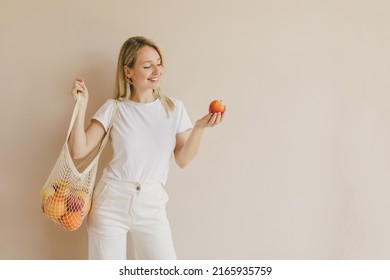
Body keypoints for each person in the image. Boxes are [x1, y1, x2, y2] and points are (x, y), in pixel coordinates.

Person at [68, 36, 224, 260]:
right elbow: (78, 151)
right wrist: (81, 106)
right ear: (128, 71)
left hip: (152, 203)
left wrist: (199, 128)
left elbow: (182, 159)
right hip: (111, 200)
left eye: (159, 63)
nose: (157, 71)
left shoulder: (174, 108)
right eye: (147, 66)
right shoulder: (114, 108)